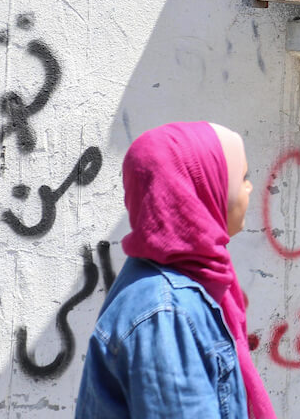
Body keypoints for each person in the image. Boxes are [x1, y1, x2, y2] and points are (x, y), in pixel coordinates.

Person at [75, 122, 275, 419]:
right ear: (201, 188)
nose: (250, 187)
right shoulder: (166, 312)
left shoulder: (170, 282)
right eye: (241, 177)